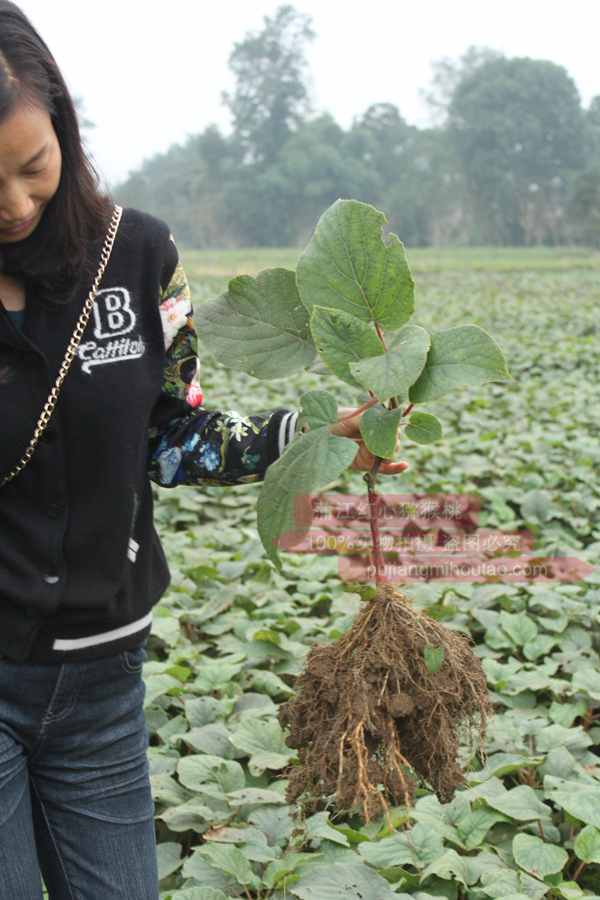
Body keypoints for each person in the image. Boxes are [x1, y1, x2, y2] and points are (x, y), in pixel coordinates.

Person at [0, 2, 408, 897]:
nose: (14, 205)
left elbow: (172, 437)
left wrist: (312, 441)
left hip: (101, 677)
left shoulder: (138, 256)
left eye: (32, 167)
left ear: (63, 125)